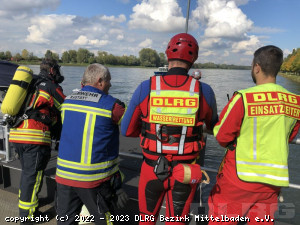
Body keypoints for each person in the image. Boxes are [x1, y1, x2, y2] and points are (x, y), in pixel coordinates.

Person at [121, 33, 218, 225]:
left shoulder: (146, 87)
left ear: (167, 55)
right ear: (194, 59)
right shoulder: (203, 90)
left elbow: (127, 130)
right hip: (186, 171)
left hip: (152, 168)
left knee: (146, 220)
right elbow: (214, 126)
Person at [208, 45, 300, 224]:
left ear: (257, 67)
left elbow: (221, 136)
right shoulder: (295, 102)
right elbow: (289, 136)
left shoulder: (243, 97)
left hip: (238, 180)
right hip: (272, 183)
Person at [55, 63, 127, 225]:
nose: (110, 84)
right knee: (106, 221)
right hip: (94, 179)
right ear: (100, 81)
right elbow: (131, 126)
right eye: (109, 80)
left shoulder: (67, 102)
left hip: (64, 175)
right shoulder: (113, 106)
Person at [8, 59, 65, 223]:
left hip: (17, 135)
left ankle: (25, 210)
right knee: (33, 177)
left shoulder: (30, 83)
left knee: (27, 175)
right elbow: (67, 107)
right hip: (34, 138)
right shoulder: (51, 86)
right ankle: (28, 216)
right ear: (53, 71)